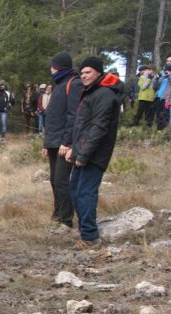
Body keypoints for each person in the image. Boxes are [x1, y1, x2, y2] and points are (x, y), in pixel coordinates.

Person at [65, 57, 121, 249]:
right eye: (81, 73)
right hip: (83, 151)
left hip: (94, 155)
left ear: (98, 72)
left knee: (85, 193)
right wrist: (74, 149)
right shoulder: (92, 92)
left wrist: (84, 155)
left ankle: (90, 237)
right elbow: (83, 127)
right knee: (75, 191)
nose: (84, 76)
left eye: (88, 72)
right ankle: (85, 231)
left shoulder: (104, 94)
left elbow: (99, 128)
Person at [42, 51, 83, 232]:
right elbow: (53, 117)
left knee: (61, 181)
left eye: (52, 66)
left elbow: (74, 116)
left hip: (64, 143)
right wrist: (46, 144)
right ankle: (58, 215)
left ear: (57, 67)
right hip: (53, 142)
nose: (51, 69)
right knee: (54, 180)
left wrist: (67, 142)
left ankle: (66, 220)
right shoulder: (59, 84)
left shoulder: (74, 84)